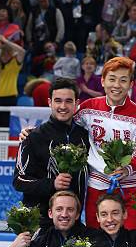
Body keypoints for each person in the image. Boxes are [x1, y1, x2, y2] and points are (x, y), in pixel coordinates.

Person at [75, 56, 136, 229]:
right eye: (112, 79)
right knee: (96, 239)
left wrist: (126, 169)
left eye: (123, 80)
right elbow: (65, 128)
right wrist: (30, 132)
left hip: (131, 186)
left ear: (131, 84)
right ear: (103, 81)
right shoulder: (87, 108)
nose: (117, 85)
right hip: (97, 184)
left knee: (132, 239)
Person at [13, 78, 89, 227]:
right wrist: (51, 183)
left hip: (72, 222)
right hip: (39, 223)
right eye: (58, 100)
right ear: (49, 102)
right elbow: (19, 181)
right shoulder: (33, 137)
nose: (63, 106)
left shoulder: (84, 137)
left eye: (68, 101)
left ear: (76, 104)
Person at [0, 34, 26, 127]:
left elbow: (22, 51)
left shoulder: (15, 64)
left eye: (8, 53)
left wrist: (6, 41)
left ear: (11, 54)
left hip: (10, 98)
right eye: (4, 53)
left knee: (7, 126)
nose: (6, 55)